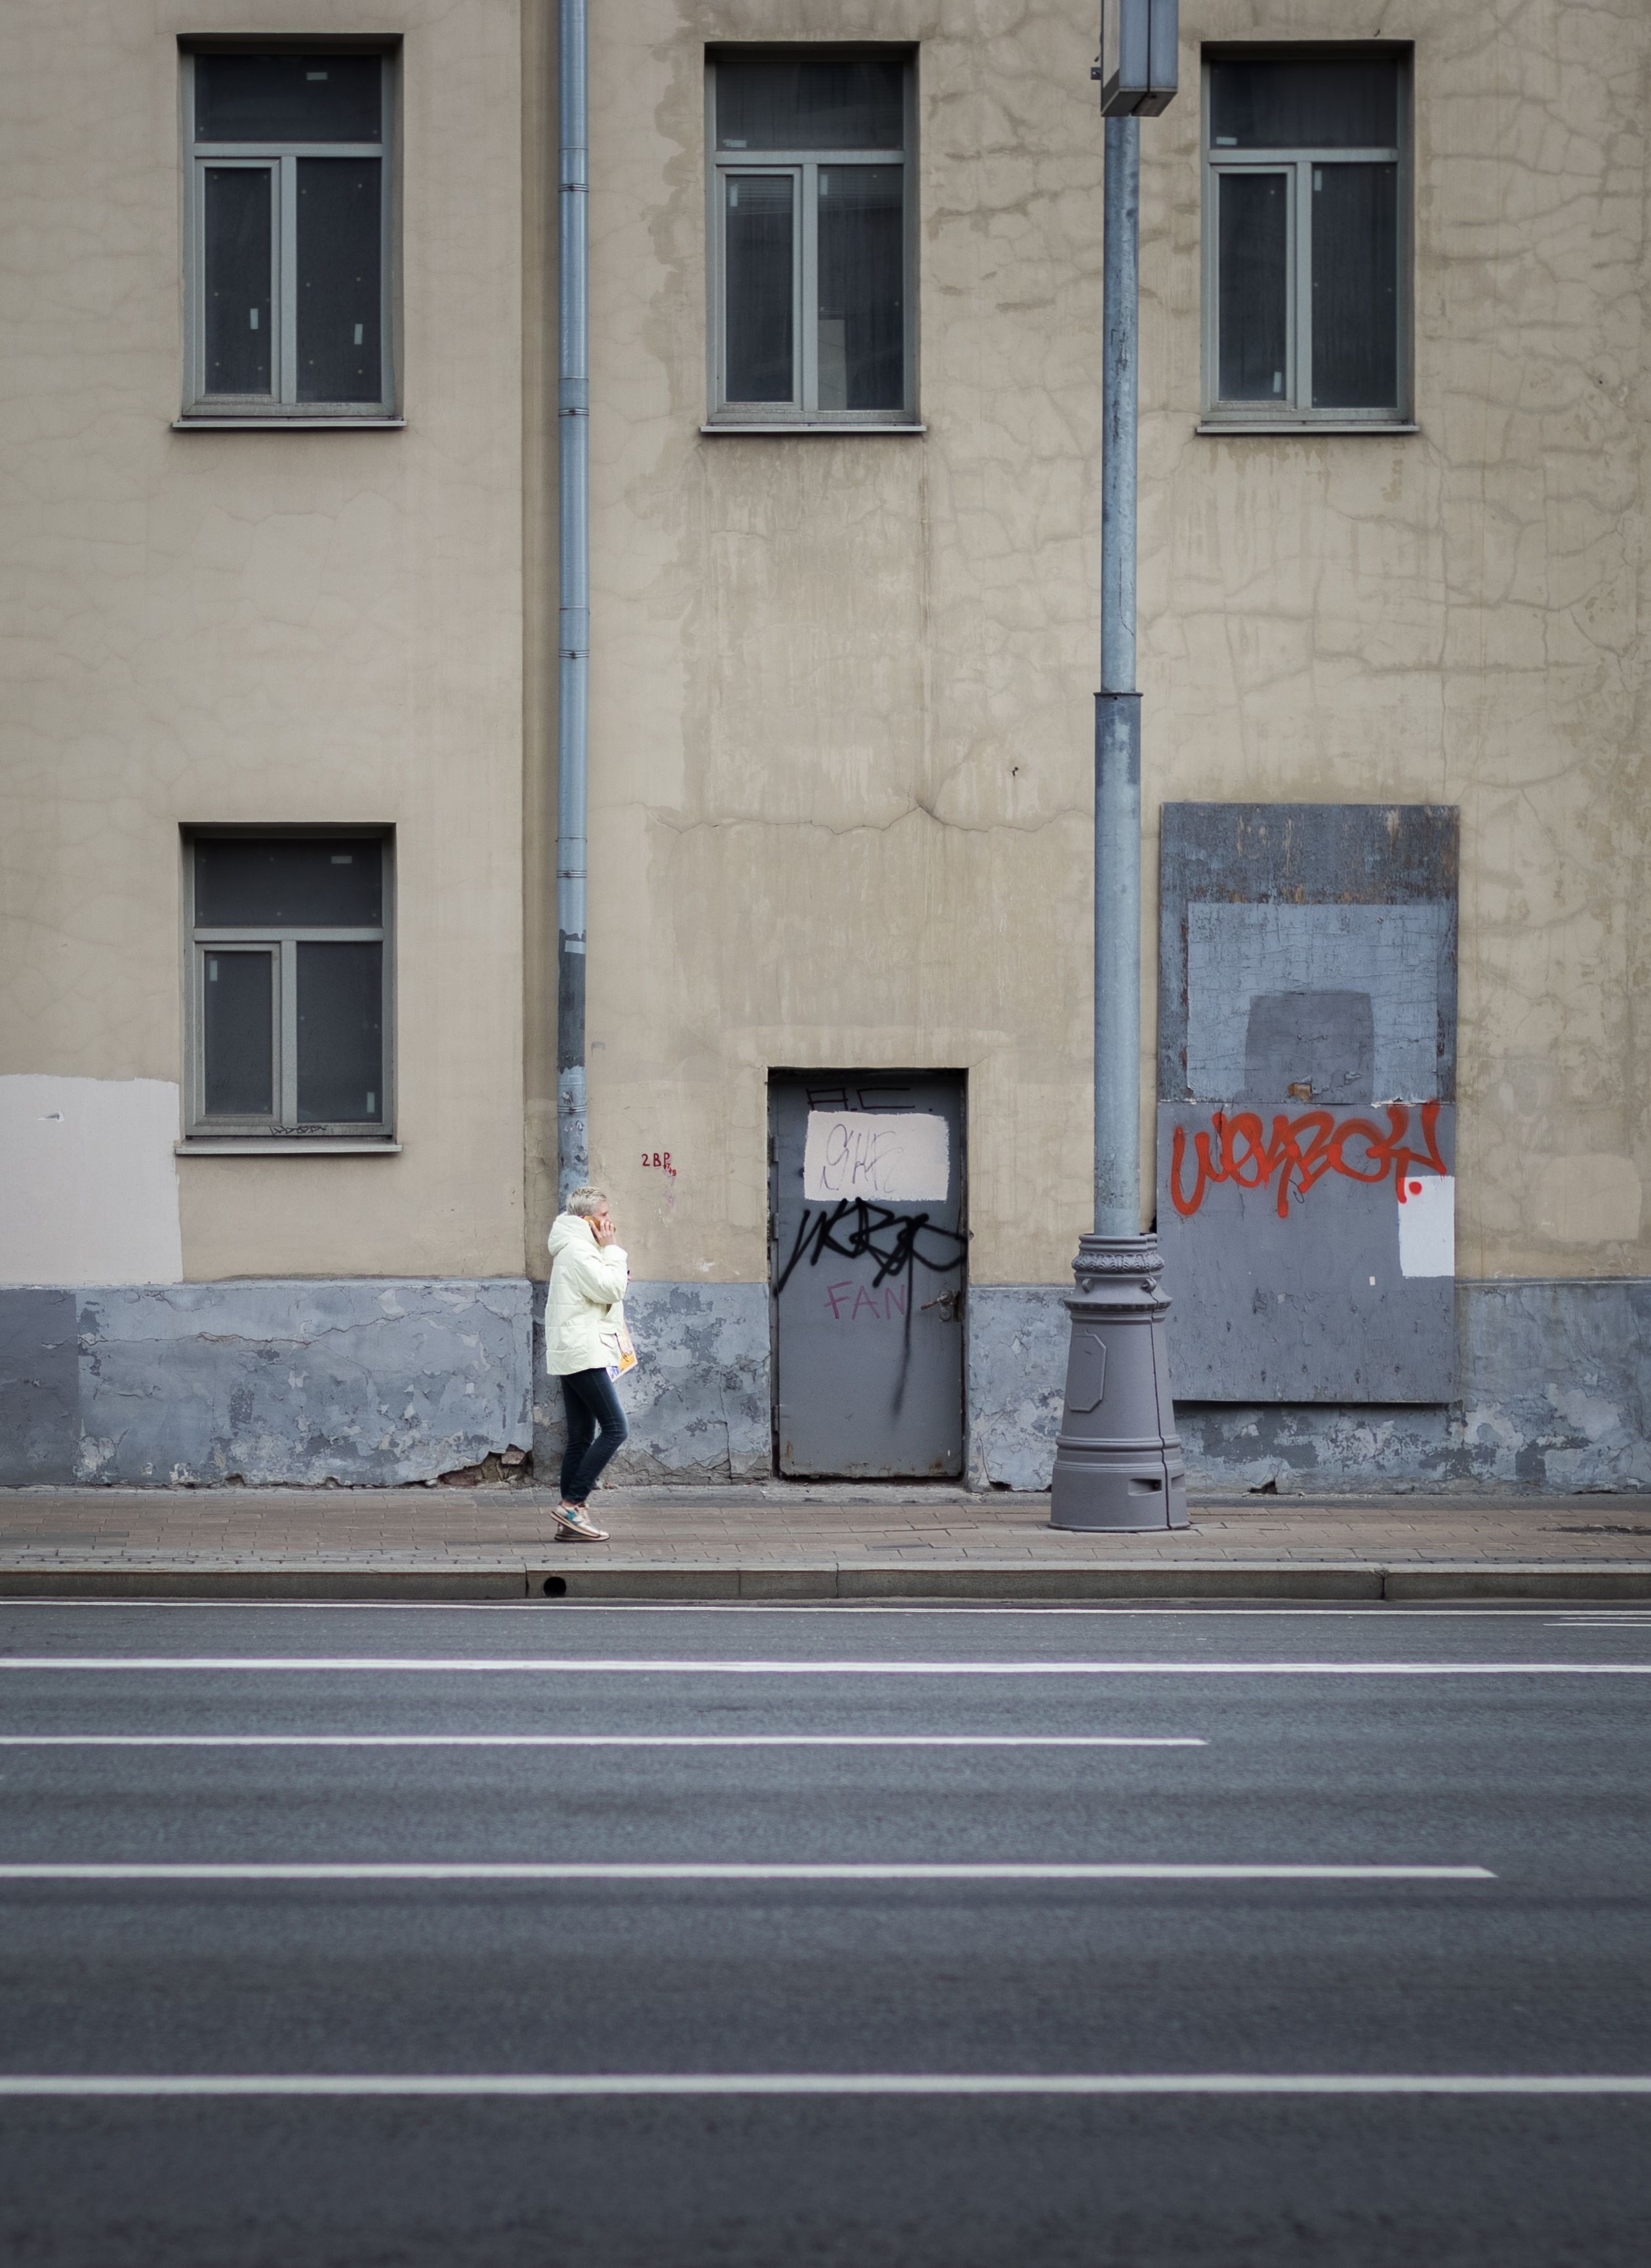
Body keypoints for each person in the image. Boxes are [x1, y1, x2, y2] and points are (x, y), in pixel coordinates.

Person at [544, 1186, 631, 1540]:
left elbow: (601, 1289)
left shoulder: (575, 1247)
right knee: (616, 1428)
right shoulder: (580, 1250)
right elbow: (611, 1290)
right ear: (586, 1220)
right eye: (604, 1215)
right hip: (584, 1351)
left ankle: (571, 1524)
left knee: (581, 1437)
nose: (610, 1222)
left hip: (575, 1348)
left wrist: (610, 1265)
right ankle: (571, 1505)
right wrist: (612, 1251)